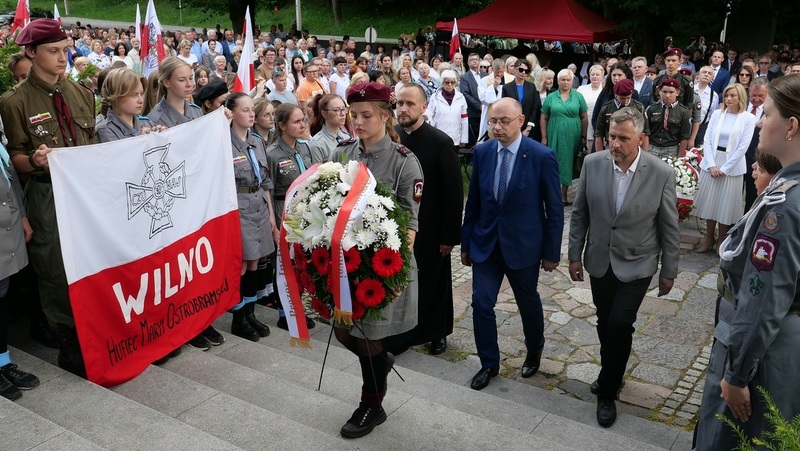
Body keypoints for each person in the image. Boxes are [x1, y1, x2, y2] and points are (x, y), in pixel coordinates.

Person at [695, 74, 800, 450]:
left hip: (763, 355)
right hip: (785, 347)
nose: (759, 121)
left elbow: (763, 299)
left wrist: (737, 373)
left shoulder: (784, 207)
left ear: (791, 127)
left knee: (730, 438)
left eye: (767, 113)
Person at [568, 107, 680, 428]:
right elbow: (580, 214)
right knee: (605, 321)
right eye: (612, 137)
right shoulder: (592, 164)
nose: (614, 144)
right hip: (600, 260)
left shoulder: (660, 173)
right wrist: (575, 254)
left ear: (641, 139)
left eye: (623, 139)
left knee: (620, 322)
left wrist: (669, 270)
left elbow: (669, 227)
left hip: (639, 263)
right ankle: (612, 371)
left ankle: (608, 389)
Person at [0, 19, 98, 378]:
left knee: (93, 259)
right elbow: (13, 159)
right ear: (30, 52)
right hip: (46, 194)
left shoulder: (82, 93)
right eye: (53, 51)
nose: (63, 58)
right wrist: (34, 160)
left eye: (65, 50)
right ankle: (69, 342)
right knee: (55, 268)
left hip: (87, 195)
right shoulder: (14, 102)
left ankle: (93, 329)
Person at [329, 83, 423, 438]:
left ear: (386, 116)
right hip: (344, 266)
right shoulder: (342, 154)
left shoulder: (404, 162)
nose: (357, 122)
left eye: (366, 115)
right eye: (353, 115)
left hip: (384, 266)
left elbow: (411, 223)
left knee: (368, 338)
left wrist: (394, 277)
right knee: (342, 331)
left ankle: (372, 404)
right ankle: (381, 364)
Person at [461, 98, 564, 391]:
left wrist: (551, 252)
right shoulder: (482, 153)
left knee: (527, 301)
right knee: (481, 303)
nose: (497, 127)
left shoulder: (541, 156)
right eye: (493, 121)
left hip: (524, 245)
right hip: (486, 243)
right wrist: (466, 242)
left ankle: (534, 349)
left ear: (521, 122)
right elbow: (475, 203)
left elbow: (554, 209)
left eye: (504, 121)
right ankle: (488, 363)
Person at [385, 83, 463, 355]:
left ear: (424, 107)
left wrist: (449, 236)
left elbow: (454, 193)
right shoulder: (393, 138)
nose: (403, 109)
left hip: (431, 228)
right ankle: (404, 331)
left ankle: (437, 331)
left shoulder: (440, 142)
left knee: (434, 282)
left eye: (409, 104)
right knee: (404, 282)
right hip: (400, 228)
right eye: (399, 104)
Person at [225, 92, 277, 342]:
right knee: (243, 262)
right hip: (239, 205)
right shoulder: (224, 141)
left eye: (251, 109)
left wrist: (271, 216)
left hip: (258, 204)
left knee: (256, 261)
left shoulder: (257, 141)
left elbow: (265, 181)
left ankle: (250, 311)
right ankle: (238, 316)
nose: (251, 114)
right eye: (244, 110)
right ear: (231, 113)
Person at [266, 103, 319, 330]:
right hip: (282, 211)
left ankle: (297, 308)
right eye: (296, 121)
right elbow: (268, 189)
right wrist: (275, 223)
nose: (302, 125)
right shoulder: (272, 154)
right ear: (282, 125)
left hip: (304, 213)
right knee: (284, 264)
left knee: (300, 264)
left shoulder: (304, 148)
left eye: (303, 120)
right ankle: (284, 312)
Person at [0, 140, 40, 400]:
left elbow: (10, 177)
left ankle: (3, 362)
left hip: (8, 223)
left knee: (2, 294)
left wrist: (23, 215)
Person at [694, 83, 756, 253]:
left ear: (740, 97)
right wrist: (712, 164)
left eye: (733, 96)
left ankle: (722, 239)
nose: (728, 99)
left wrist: (725, 169)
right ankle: (708, 238)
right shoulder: (716, 114)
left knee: (725, 204)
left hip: (732, 165)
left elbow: (743, 146)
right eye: (727, 96)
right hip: (712, 161)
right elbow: (707, 139)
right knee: (709, 203)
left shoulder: (748, 118)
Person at [541, 69, 589, 204]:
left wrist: (584, 136)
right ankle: (552, 192)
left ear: (572, 81)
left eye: (568, 80)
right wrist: (544, 137)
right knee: (554, 161)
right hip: (554, 133)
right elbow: (543, 117)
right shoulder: (551, 97)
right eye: (563, 79)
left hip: (573, 134)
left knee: (568, 161)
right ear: (558, 81)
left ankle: (564, 194)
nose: (566, 82)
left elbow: (584, 117)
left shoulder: (578, 96)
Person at [96, 68, 160, 142]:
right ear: (116, 96)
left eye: (142, 94)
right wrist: (138, 142)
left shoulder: (147, 122)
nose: (141, 100)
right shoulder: (104, 130)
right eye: (134, 95)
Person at [147, 57, 203, 126]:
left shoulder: (196, 111)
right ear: (166, 83)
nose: (189, 84)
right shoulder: (154, 120)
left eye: (191, 78)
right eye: (182, 80)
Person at [644, 78, 692, 157]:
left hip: (671, 150)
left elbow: (684, 137)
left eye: (671, 92)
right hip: (652, 148)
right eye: (664, 92)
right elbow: (645, 132)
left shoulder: (683, 112)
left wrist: (679, 158)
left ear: (677, 92)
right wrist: (645, 153)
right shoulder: (651, 109)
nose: (667, 95)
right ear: (660, 92)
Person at [425, 70, 468, 148]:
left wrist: (464, 139)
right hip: (438, 138)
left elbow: (464, 119)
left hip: (455, 138)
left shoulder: (461, 97)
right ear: (442, 83)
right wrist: (430, 136)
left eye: (452, 82)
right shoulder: (435, 97)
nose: (450, 85)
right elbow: (429, 118)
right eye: (447, 82)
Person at [743, 77, 768, 211]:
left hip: (757, 160)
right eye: (753, 95)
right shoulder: (741, 105)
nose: (756, 99)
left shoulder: (770, 111)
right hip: (739, 158)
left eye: (760, 96)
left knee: (752, 197)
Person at [502, 60, 542, 142]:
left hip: (528, 128)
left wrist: (528, 128)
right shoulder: (506, 87)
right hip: (511, 127)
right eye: (521, 69)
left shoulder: (532, 87)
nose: (523, 72)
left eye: (526, 71)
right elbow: (504, 109)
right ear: (515, 69)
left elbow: (535, 108)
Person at [310, 94, 350, 160]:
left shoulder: (346, 137)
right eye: (336, 110)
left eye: (343, 109)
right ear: (324, 114)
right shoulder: (317, 143)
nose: (342, 114)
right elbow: (315, 169)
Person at [577, 64, 605, 150]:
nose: (595, 77)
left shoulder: (605, 91)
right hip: (582, 125)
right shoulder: (581, 89)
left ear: (602, 76)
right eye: (592, 74)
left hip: (598, 125)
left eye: (597, 74)